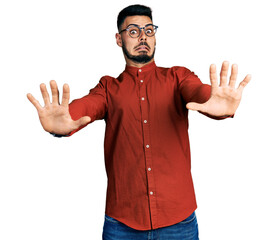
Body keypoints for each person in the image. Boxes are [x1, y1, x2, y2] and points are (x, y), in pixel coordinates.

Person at [27, 4, 251, 240]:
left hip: (179, 221)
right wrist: (61, 125)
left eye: (149, 30)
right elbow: (83, 108)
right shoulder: (108, 88)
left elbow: (199, 92)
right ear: (118, 38)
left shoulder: (178, 77)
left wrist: (217, 104)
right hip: (121, 225)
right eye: (133, 31)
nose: (143, 36)